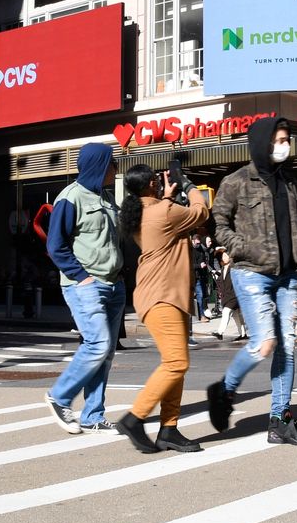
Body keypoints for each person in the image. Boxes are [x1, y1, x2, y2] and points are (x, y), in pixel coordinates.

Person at [206, 116, 297, 446]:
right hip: (251, 274)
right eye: (278, 140)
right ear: (261, 142)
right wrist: (242, 248)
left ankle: (279, 420)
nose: (284, 146)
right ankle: (223, 390)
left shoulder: (290, 181)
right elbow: (219, 223)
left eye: (286, 140)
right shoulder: (236, 182)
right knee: (263, 344)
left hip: (286, 276)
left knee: (287, 347)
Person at [113, 165, 210, 454]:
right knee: (176, 364)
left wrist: (167, 196)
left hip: (165, 294)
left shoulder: (148, 211)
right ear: (151, 185)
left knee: (175, 365)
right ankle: (134, 418)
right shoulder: (164, 213)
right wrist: (187, 183)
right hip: (162, 297)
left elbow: (168, 214)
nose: (161, 183)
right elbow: (201, 211)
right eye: (157, 180)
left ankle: (169, 429)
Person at [43, 143, 125, 435]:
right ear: (99, 166)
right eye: (112, 163)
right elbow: (55, 246)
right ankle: (60, 396)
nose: (116, 168)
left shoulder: (106, 199)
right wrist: (82, 277)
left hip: (114, 284)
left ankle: (93, 415)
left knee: (106, 353)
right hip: (86, 285)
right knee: (98, 345)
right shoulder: (71, 198)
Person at [211, 250, 248, 340]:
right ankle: (243, 334)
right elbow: (221, 281)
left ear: (230, 257)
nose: (224, 258)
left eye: (225, 256)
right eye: (223, 256)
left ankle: (220, 332)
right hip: (227, 296)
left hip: (234, 295)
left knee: (226, 312)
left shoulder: (234, 268)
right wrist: (215, 275)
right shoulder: (223, 268)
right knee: (237, 316)